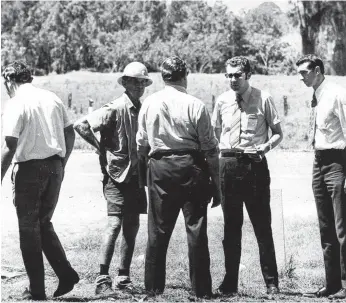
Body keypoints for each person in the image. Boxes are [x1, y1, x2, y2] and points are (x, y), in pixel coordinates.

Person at [136, 56, 221, 298]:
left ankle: (152, 289)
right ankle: (201, 290)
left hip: (160, 166)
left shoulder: (150, 103)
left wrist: (145, 178)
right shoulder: (195, 104)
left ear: (163, 77)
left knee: (158, 230)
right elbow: (210, 149)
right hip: (191, 166)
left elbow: (141, 146)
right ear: (186, 75)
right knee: (195, 227)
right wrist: (217, 184)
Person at [1, 61, 79, 300]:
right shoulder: (51, 98)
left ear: (9, 81)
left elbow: (9, 144)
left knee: (28, 230)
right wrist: (61, 163)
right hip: (55, 166)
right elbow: (70, 132)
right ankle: (65, 273)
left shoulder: (16, 102)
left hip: (30, 170)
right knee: (43, 223)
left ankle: (37, 291)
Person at [73, 62, 152, 295]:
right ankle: (102, 277)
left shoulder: (142, 108)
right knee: (115, 224)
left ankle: (124, 277)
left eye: (142, 82)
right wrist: (101, 149)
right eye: (134, 81)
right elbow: (81, 124)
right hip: (117, 175)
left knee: (132, 225)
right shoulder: (116, 107)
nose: (139, 86)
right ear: (125, 83)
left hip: (137, 175)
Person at [212, 56, 283, 296]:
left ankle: (271, 283)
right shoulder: (222, 101)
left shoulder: (263, 98)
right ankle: (230, 282)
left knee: (262, 225)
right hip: (229, 165)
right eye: (228, 75)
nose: (232, 80)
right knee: (231, 227)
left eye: (237, 75)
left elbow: (277, 133)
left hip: (254, 166)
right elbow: (215, 133)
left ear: (248, 75)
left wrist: (265, 147)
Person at [296, 54, 346, 300]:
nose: (301, 77)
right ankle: (333, 283)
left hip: (339, 161)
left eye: (304, 72)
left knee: (342, 227)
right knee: (326, 226)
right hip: (319, 161)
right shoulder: (316, 96)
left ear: (317, 70)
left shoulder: (337, 94)